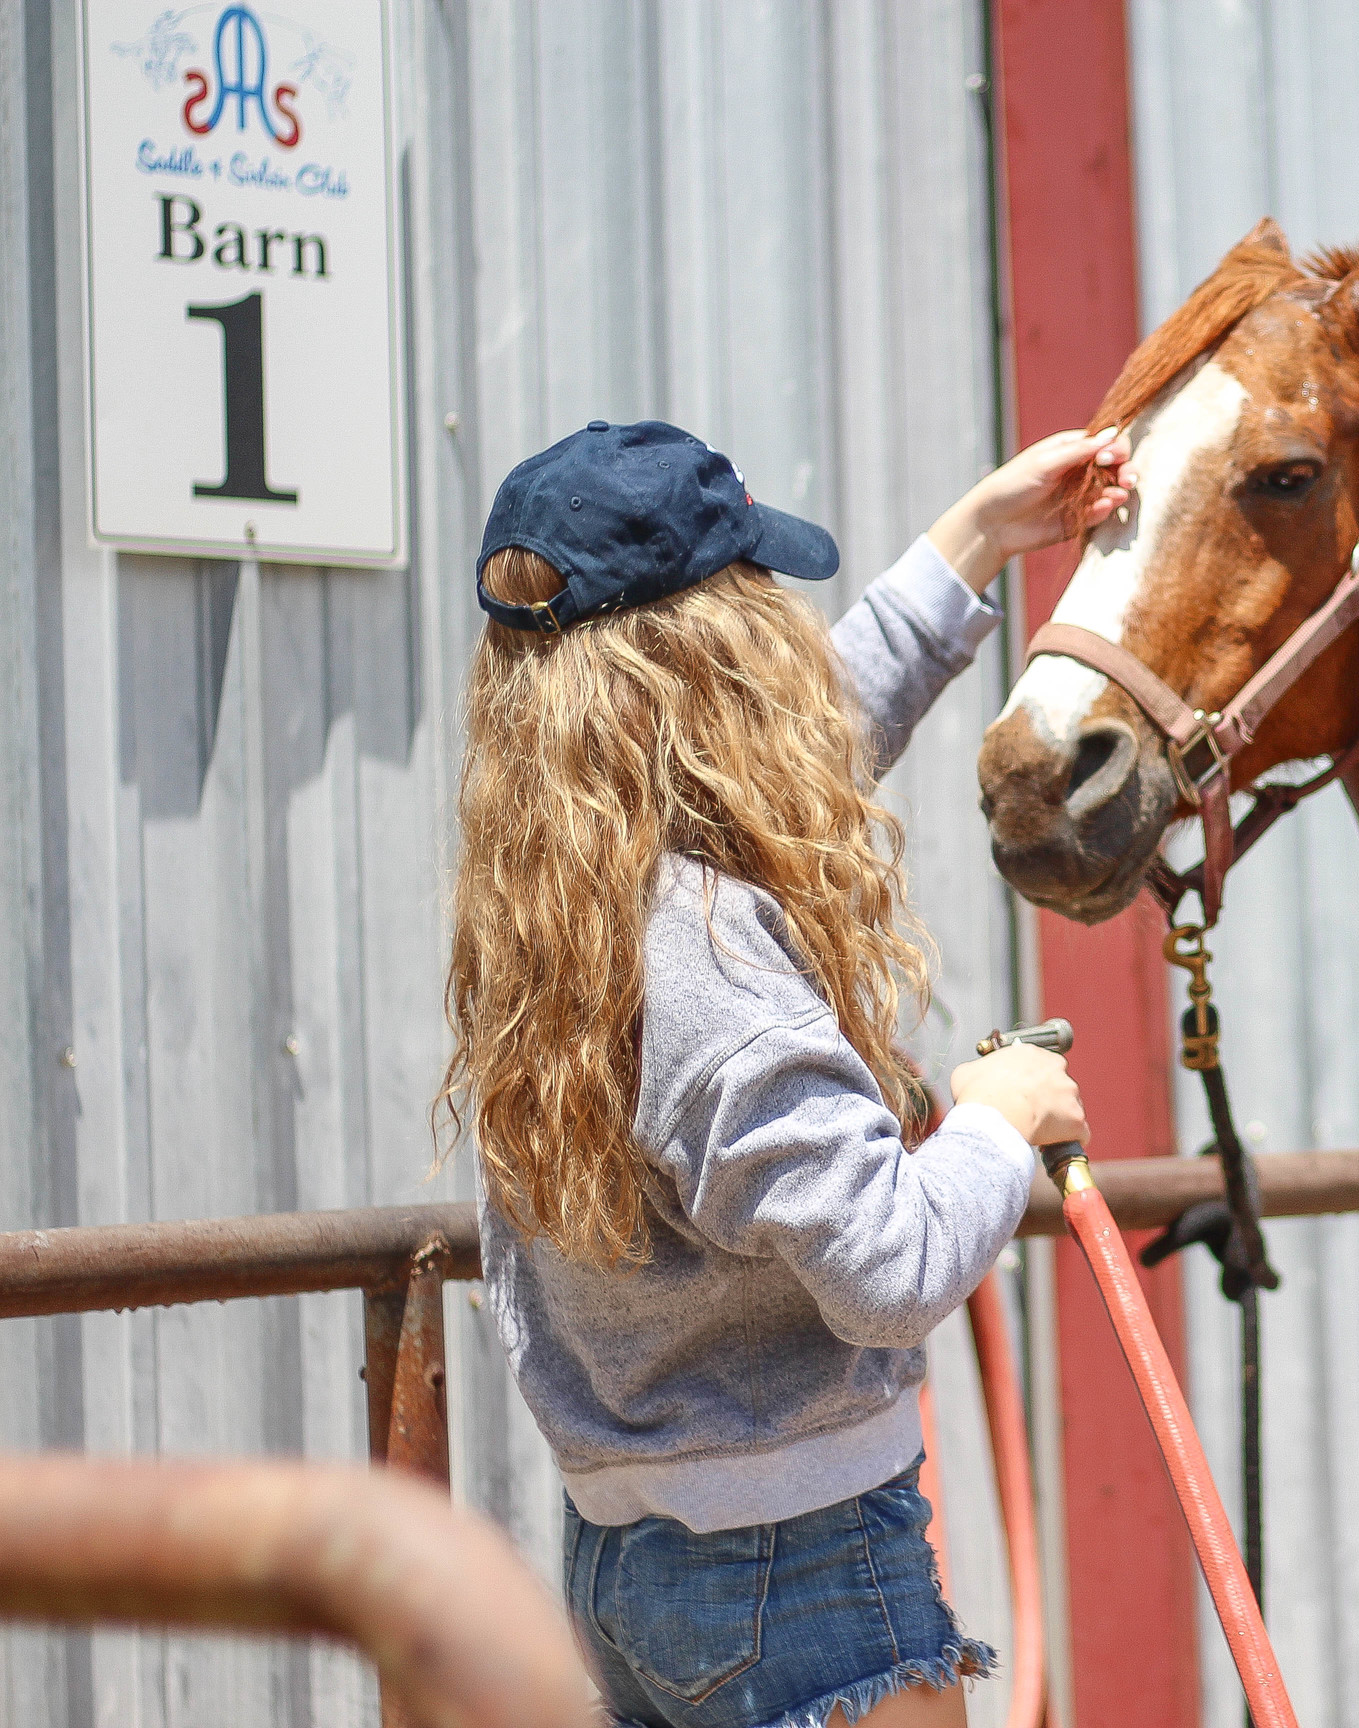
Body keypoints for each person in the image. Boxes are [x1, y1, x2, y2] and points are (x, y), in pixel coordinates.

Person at [442, 416, 1134, 1728]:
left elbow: (810, 743)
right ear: (711, 669)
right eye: (758, 613)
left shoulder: (567, 891)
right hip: (798, 1568)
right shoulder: (707, 964)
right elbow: (888, 1271)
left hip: (635, 1564)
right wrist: (995, 1121)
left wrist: (979, 536)